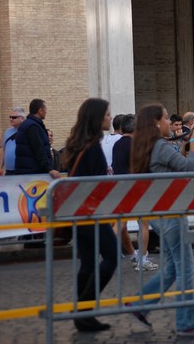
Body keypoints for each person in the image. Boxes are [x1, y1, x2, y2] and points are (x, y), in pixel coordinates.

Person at [127, 103, 194, 338]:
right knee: (187, 268)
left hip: (157, 212)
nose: (169, 122)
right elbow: (188, 169)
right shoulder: (160, 146)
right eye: (165, 118)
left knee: (175, 267)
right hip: (170, 212)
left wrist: (184, 146)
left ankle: (140, 305)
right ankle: (186, 322)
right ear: (156, 123)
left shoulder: (144, 146)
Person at [62, 98, 117, 332]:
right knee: (112, 257)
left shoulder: (77, 144)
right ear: (97, 118)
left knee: (88, 263)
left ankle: (84, 315)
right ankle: (83, 310)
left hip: (77, 211)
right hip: (90, 213)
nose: (110, 117)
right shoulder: (92, 146)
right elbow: (96, 183)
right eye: (107, 114)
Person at [111, 114, 155, 270]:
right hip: (137, 188)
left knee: (119, 222)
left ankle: (104, 251)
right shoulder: (138, 145)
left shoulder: (117, 144)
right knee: (143, 223)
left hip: (120, 187)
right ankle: (142, 260)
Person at [15, 99, 61, 178]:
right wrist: (49, 168)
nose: (46, 112)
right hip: (33, 172)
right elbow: (39, 148)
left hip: (26, 170)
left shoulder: (27, 124)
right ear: (40, 111)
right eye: (45, 110)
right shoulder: (33, 126)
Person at [1, 107, 26, 175]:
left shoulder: (27, 131)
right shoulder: (7, 132)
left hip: (22, 171)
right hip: (8, 171)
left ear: (22, 118)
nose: (11, 119)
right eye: (10, 117)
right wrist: (0, 167)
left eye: (14, 117)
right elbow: (4, 150)